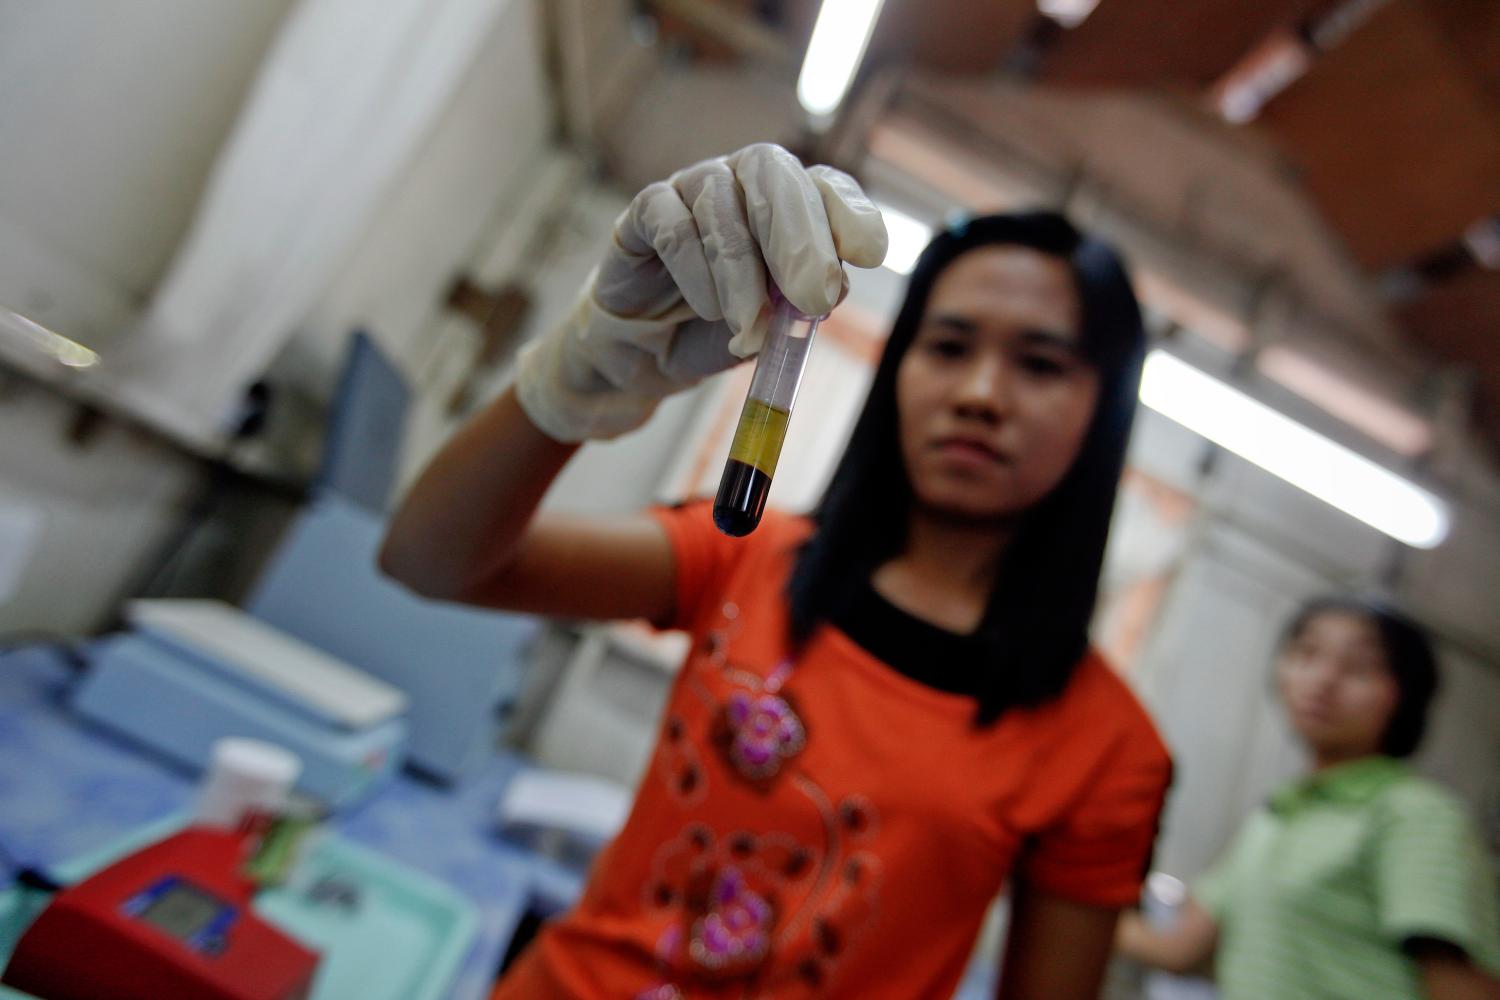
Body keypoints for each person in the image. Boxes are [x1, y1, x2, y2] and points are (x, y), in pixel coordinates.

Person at [381, 143, 1171, 999]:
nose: (980, 392)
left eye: (1042, 365)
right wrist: (570, 380)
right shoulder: (748, 558)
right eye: (947, 346)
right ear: (899, 368)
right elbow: (426, 561)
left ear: (1104, 412)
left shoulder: (1107, 750)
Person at [1116, 596, 1500, 1000]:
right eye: (1307, 653)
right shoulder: (1279, 814)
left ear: (1404, 696)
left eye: (1359, 668)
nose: (1323, 679)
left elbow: (1464, 988)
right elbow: (1179, 948)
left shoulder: (1414, 815)